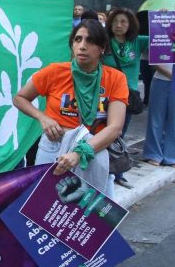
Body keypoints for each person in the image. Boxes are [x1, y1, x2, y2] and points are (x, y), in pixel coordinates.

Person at [13, 20, 127, 196]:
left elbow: (115, 127)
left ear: (102, 47)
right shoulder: (55, 72)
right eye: (77, 39)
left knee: (94, 217)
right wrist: (43, 118)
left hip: (94, 148)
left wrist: (79, 154)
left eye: (90, 41)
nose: (82, 46)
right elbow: (20, 98)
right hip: (54, 147)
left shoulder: (115, 78)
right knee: (46, 209)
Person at [102, 8, 148, 188]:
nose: (119, 25)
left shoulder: (138, 42)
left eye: (123, 22)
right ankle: (99, 170)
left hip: (126, 97)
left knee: (119, 134)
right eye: (115, 21)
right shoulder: (104, 42)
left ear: (130, 25)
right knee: (100, 132)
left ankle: (117, 173)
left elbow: (171, 42)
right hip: (104, 96)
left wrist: (168, 19)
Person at [143, 14, 175, 170]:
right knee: (155, 119)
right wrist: (173, 75)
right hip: (160, 81)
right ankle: (153, 154)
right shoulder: (161, 39)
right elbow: (154, 62)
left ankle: (172, 156)